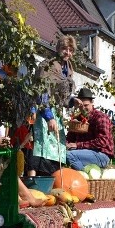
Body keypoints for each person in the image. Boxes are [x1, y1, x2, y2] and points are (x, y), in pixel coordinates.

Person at [31, 36, 77, 176]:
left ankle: (52, 181)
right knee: (43, 147)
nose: (67, 52)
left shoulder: (67, 69)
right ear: (58, 49)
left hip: (56, 113)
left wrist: (73, 102)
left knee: (56, 148)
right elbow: (42, 92)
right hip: (42, 112)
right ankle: (38, 183)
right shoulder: (49, 66)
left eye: (70, 50)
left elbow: (61, 98)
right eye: (64, 49)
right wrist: (49, 117)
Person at [65, 87, 114, 170]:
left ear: (92, 103)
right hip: (82, 153)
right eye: (81, 106)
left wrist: (77, 145)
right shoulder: (78, 120)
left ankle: (84, 176)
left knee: (68, 155)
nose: (83, 108)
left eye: (86, 105)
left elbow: (103, 141)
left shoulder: (100, 117)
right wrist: (66, 144)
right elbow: (70, 139)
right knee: (60, 155)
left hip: (101, 154)